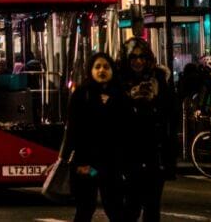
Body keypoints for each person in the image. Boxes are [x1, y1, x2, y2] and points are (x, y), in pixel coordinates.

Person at [60, 52, 123, 222]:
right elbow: (73, 130)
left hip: (112, 164)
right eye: (97, 67)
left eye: (106, 67)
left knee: (115, 207)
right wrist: (75, 162)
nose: (102, 70)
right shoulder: (81, 94)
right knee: (85, 207)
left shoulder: (120, 94)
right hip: (88, 165)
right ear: (90, 70)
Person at [119, 38, 176, 222]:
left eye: (142, 57)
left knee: (152, 208)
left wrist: (154, 99)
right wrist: (130, 97)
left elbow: (169, 115)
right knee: (131, 206)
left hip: (154, 153)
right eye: (133, 57)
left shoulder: (158, 79)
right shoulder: (119, 81)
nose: (138, 61)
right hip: (129, 154)